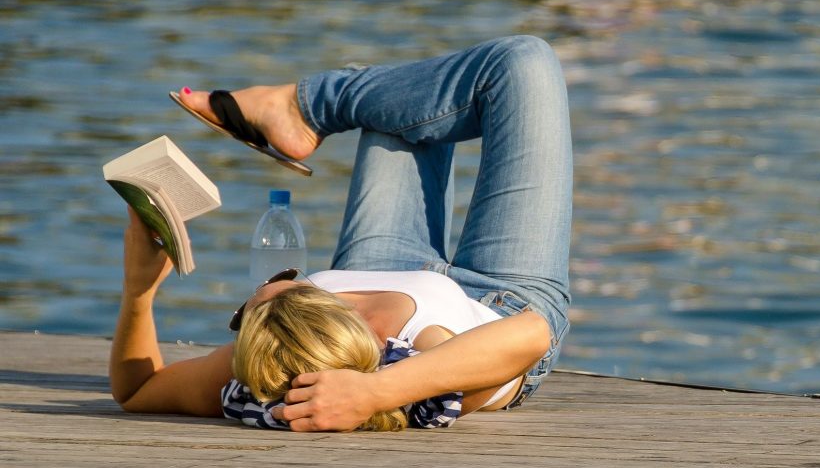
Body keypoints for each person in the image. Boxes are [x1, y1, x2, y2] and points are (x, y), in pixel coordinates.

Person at [109, 35, 572, 432]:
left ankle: (301, 111)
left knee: (401, 103)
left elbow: (138, 390)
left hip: (375, 263)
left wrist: (138, 291)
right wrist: (376, 392)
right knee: (523, 62)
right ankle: (307, 106)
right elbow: (530, 335)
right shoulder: (418, 366)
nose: (255, 300)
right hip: (501, 296)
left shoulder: (266, 358)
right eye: (279, 285)